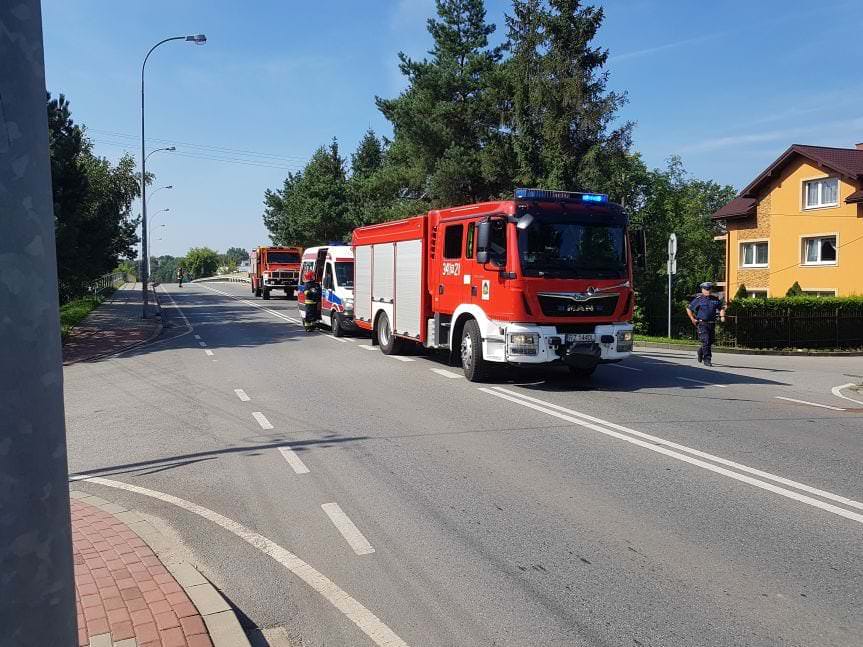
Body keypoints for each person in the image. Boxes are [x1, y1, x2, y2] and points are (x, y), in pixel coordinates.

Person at [686, 282, 725, 366]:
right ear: (702, 290)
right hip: (702, 323)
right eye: (706, 289)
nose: (708, 291)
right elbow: (689, 309)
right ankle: (707, 359)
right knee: (706, 340)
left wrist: (722, 316)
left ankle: (701, 351)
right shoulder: (699, 299)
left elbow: (721, 308)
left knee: (710, 341)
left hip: (712, 323)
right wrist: (692, 319)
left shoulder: (715, 299)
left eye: (710, 289)